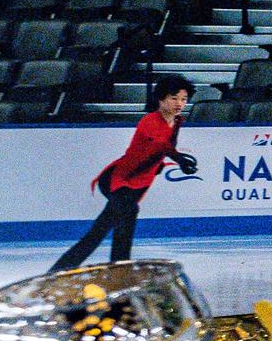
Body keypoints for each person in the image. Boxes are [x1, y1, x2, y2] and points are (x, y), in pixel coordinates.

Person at [51, 75, 199, 272]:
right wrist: (179, 159)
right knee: (105, 227)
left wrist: (167, 163)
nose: (179, 103)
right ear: (161, 99)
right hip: (118, 180)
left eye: (183, 99)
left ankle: (119, 269)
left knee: (122, 221)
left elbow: (164, 148)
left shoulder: (177, 121)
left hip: (138, 183)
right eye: (174, 98)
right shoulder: (149, 121)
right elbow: (160, 144)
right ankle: (59, 272)